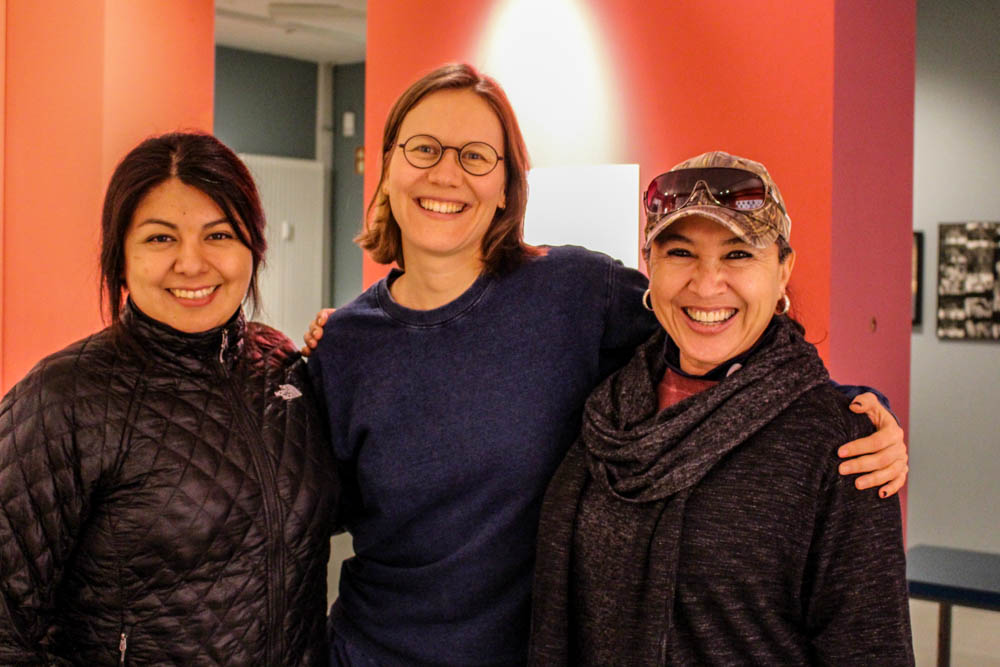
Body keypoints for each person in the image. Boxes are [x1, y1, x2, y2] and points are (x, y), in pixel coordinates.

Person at [304, 64, 908, 666]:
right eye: (424, 148)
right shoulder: (345, 344)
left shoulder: (576, 293)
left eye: (475, 156)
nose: (446, 173)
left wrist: (852, 409)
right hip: (374, 651)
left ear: (508, 185)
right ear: (387, 165)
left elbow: (719, 342)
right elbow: (298, 513)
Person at [528, 151, 914, 664]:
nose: (707, 284)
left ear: (783, 272)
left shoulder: (841, 448)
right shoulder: (607, 408)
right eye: (681, 253)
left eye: (738, 254)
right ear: (650, 268)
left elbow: (871, 650)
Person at [0, 133, 338, 665]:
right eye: (161, 239)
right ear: (120, 258)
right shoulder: (63, 398)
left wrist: (360, 352)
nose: (192, 264)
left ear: (253, 246)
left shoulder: (280, 366)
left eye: (219, 235)